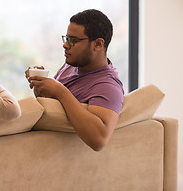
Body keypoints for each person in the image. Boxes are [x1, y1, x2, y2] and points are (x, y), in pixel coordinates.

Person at [26, 9, 124, 151]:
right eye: (66, 38)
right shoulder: (71, 65)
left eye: (73, 41)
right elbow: (51, 108)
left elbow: (99, 140)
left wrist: (61, 92)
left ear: (98, 44)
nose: (65, 45)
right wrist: (40, 84)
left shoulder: (108, 86)